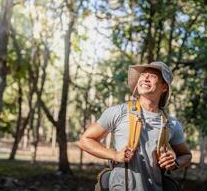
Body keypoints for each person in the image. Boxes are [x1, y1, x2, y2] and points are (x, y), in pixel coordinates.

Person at [79, 61, 192, 190]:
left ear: (164, 87)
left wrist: (175, 163)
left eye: (153, 76)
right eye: (143, 74)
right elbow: (85, 140)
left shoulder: (171, 124)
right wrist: (114, 155)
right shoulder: (119, 112)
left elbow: (186, 155)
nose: (145, 78)